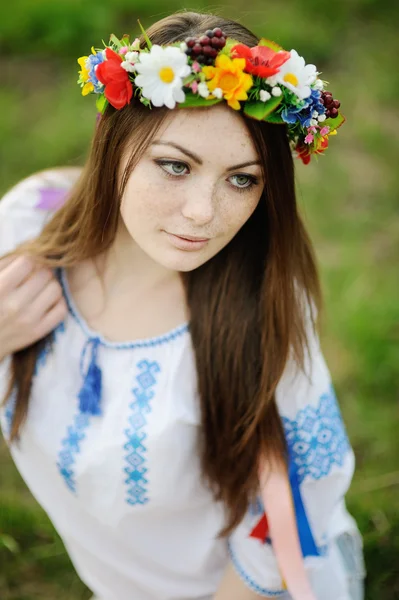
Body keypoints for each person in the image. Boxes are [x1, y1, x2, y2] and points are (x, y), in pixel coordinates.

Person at [0, 10, 365, 600]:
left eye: (242, 179)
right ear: (115, 145)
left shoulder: (264, 309)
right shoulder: (24, 225)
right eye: (175, 166)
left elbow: (300, 501)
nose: (203, 212)